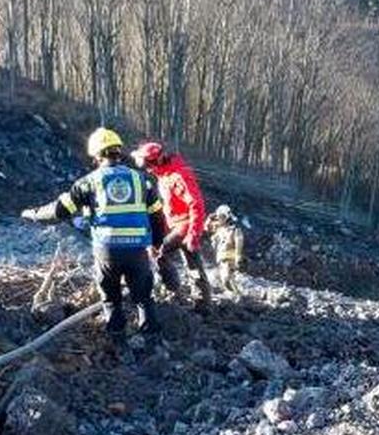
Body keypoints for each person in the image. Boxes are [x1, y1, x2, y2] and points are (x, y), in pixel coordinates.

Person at [21, 127, 167, 341]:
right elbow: (157, 216)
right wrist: (156, 243)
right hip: (137, 250)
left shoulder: (88, 182)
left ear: (96, 155)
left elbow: (60, 211)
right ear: (119, 151)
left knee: (111, 298)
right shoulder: (141, 180)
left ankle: (116, 338)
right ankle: (152, 342)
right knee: (143, 297)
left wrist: (32, 214)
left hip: (107, 250)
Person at [131, 141, 212, 309]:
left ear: (156, 161)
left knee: (159, 252)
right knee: (193, 264)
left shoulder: (178, 177)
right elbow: (170, 209)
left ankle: (174, 289)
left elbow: (196, 205)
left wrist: (193, 234)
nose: (147, 169)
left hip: (186, 225)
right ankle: (202, 303)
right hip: (177, 224)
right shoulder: (164, 175)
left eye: (147, 165)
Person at [204, 204, 245, 295]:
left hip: (230, 258)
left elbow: (239, 242)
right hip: (221, 258)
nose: (220, 219)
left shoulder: (234, 230)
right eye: (219, 217)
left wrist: (238, 256)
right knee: (226, 279)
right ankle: (237, 293)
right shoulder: (219, 229)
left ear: (227, 217)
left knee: (226, 278)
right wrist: (209, 218)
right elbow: (206, 228)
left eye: (222, 217)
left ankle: (236, 294)